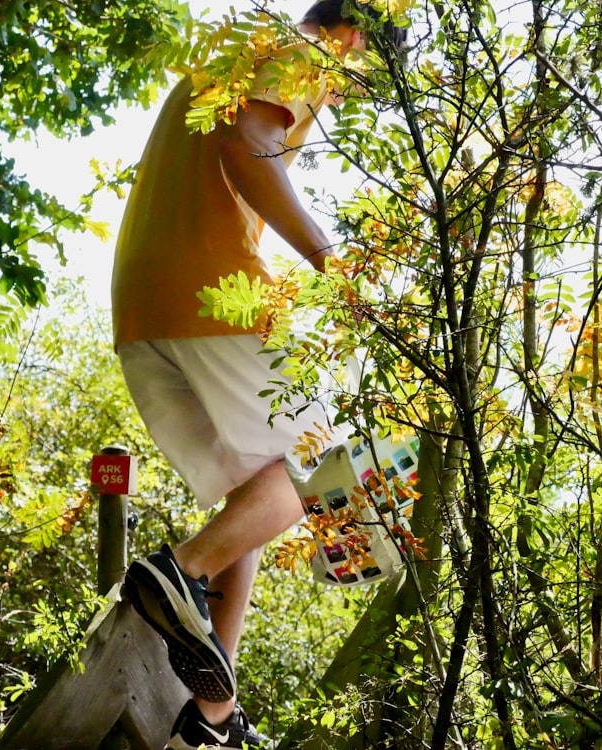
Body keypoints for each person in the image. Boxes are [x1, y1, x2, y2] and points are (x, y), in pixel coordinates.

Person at [111, 2, 400, 748]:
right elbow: (248, 143)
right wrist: (330, 262)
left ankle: (212, 715)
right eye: (360, 78)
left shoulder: (233, 50)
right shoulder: (304, 50)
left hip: (143, 307)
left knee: (259, 499)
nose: (344, 96)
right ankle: (176, 573)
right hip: (210, 289)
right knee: (323, 468)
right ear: (351, 36)